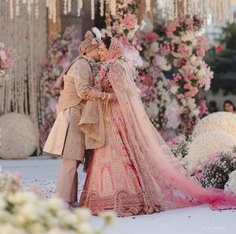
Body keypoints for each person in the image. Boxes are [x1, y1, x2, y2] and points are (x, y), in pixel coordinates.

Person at [79, 37, 236, 216]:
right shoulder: (109, 65)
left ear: (111, 49)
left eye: (101, 48)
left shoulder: (116, 67)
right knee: (105, 153)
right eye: (98, 49)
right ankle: (101, 195)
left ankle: (124, 197)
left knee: (118, 153)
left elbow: (124, 95)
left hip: (116, 116)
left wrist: (104, 96)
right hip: (108, 115)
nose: (99, 52)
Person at [43, 31, 112, 207]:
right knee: (71, 159)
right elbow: (84, 91)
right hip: (72, 115)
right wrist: (106, 96)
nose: (101, 53)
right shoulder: (82, 65)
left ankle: (68, 198)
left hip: (73, 114)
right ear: (91, 51)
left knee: (73, 158)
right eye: (99, 50)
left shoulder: (81, 63)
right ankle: (61, 200)